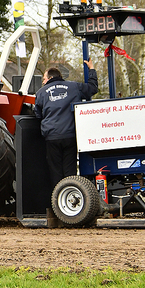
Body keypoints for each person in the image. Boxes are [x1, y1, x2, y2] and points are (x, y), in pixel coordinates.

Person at [34, 59, 99, 191]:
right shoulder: (74, 86)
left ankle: (59, 202)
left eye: (44, 79)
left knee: (55, 172)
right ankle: (72, 198)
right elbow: (92, 88)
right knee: (70, 171)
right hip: (70, 135)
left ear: (50, 77)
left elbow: (38, 114)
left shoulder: (41, 92)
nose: (43, 82)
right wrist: (91, 70)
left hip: (52, 137)